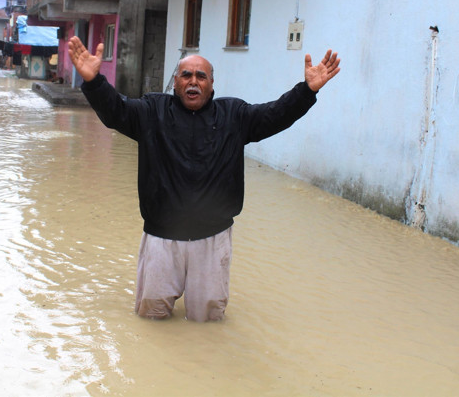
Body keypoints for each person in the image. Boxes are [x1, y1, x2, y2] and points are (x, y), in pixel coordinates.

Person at [68, 36, 340, 322]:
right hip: (162, 238)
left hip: (213, 238)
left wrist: (306, 90)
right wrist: (94, 82)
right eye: (186, 75)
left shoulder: (234, 116)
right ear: (175, 83)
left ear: (212, 85)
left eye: (201, 76)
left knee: (207, 322)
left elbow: (276, 114)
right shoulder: (151, 112)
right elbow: (115, 111)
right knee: (152, 317)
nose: (193, 81)